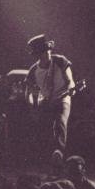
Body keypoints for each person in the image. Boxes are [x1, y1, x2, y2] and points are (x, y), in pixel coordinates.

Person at [24, 34, 75, 174]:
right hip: (46, 101)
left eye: (48, 51)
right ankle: (47, 161)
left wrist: (71, 88)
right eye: (43, 52)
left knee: (60, 121)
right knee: (42, 128)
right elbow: (28, 93)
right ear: (37, 55)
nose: (47, 54)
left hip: (62, 98)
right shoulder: (33, 71)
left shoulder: (60, 61)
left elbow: (70, 80)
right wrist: (33, 107)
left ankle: (59, 152)